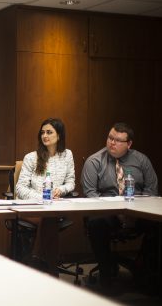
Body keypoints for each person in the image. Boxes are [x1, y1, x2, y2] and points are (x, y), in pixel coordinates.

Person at [81, 122, 158, 289]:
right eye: (110, 138)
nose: (111, 143)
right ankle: (106, 275)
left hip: (138, 211)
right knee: (96, 223)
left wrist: (136, 210)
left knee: (158, 224)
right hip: (108, 213)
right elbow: (90, 194)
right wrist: (117, 211)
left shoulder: (141, 160)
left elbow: (152, 190)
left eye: (117, 140)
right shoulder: (94, 161)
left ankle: (147, 272)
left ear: (129, 144)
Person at [15, 118, 75, 275]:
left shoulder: (67, 155)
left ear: (59, 135)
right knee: (49, 219)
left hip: (56, 206)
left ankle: (37, 262)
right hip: (32, 207)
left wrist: (60, 190)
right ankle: (51, 269)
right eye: (42, 132)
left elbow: (71, 183)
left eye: (49, 132)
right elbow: (20, 188)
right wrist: (40, 196)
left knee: (49, 217)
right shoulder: (31, 157)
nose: (45, 136)